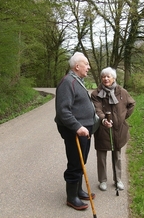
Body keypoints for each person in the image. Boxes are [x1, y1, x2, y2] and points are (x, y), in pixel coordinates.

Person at [55, 52, 95, 210]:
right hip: (75, 131)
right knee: (75, 163)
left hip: (85, 130)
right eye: (86, 64)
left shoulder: (78, 80)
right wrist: (78, 127)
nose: (89, 67)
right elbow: (63, 111)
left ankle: (78, 190)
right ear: (77, 66)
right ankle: (72, 197)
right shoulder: (68, 82)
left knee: (81, 161)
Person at [91, 67, 135, 191]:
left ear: (114, 78)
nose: (105, 79)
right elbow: (97, 109)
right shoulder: (95, 94)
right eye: (103, 77)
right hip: (102, 128)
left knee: (117, 155)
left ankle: (118, 180)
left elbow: (131, 104)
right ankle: (103, 181)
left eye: (108, 76)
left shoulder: (122, 92)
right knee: (101, 156)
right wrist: (103, 119)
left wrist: (122, 117)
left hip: (118, 129)